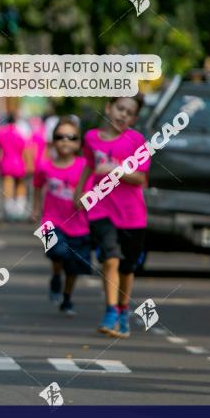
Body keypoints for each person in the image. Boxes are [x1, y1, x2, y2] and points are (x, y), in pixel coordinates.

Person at [74, 96, 148, 338]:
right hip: (100, 208)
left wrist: (116, 170)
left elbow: (140, 179)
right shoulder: (92, 138)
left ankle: (124, 310)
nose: (123, 114)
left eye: (129, 112)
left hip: (131, 214)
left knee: (127, 268)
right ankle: (110, 310)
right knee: (110, 258)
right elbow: (87, 164)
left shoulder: (137, 141)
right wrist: (79, 192)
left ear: (134, 119)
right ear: (108, 108)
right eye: (119, 108)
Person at [31, 116, 91, 315]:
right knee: (57, 252)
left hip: (79, 224)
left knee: (73, 266)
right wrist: (35, 208)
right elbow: (37, 186)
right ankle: (56, 276)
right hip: (50, 221)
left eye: (71, 137)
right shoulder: (45, 166)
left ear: (79, 142)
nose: (65, 141)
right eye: (60, 136)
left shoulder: (85, 166)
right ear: (53, 141)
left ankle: (67, 298)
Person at [0, 111, 32, 221]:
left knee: (7, 184)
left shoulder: (1, 132)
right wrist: (29, 163)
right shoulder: (21, 132)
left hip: (6, 161)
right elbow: (26, 149)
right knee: (20, 183)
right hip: (19, 162)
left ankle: (8, 209)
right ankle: (20, 208)